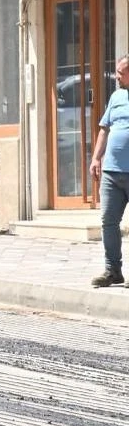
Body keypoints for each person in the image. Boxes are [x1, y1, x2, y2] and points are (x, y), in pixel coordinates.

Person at [89, 54, 129, 288]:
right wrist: (96, 158)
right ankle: (113, 270)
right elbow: (104, 129)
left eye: (121, 72)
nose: (116, 76)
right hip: (112, 173)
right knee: (108, 222)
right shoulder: (116, 97)